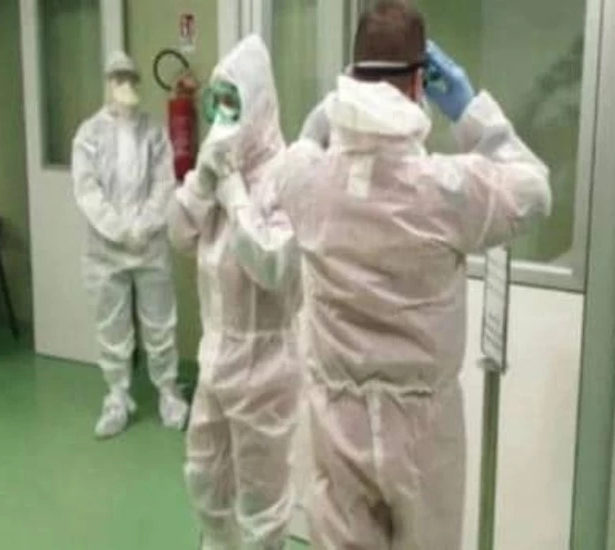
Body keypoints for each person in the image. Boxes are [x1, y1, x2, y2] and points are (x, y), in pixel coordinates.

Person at [218, 2, 552, 548]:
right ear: (420, 83)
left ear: (349, 79)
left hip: (337, 423)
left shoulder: (308, 180)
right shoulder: (447, 188)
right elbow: (534, 190)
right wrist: (470, 112)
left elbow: (281, 176)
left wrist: (316, 127)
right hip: (425, 433)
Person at [167, 36, 302, 550]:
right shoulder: (218, 162)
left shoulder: (288, 174)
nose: (224, 116)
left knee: (263, 505)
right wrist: (203, 182)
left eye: (234, 102)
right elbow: (178, 235)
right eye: (217, 101)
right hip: (216, 361)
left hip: (266, 369)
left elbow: (275, 266)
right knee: (203, 479)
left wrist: (235, 196)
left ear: (260, 104)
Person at [72, 51, 189, 439]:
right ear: (107, 84)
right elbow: (86, 190)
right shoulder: (89, 135)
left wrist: (143, 225)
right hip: (106, 249)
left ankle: (168, 392)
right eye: (118, 78)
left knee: (160, 321)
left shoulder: (153, 132)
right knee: (112, 324)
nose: (126, 85)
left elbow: (164, 182)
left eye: (131, 78)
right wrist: (118, 229)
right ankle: (117, 397)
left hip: (149, 245)